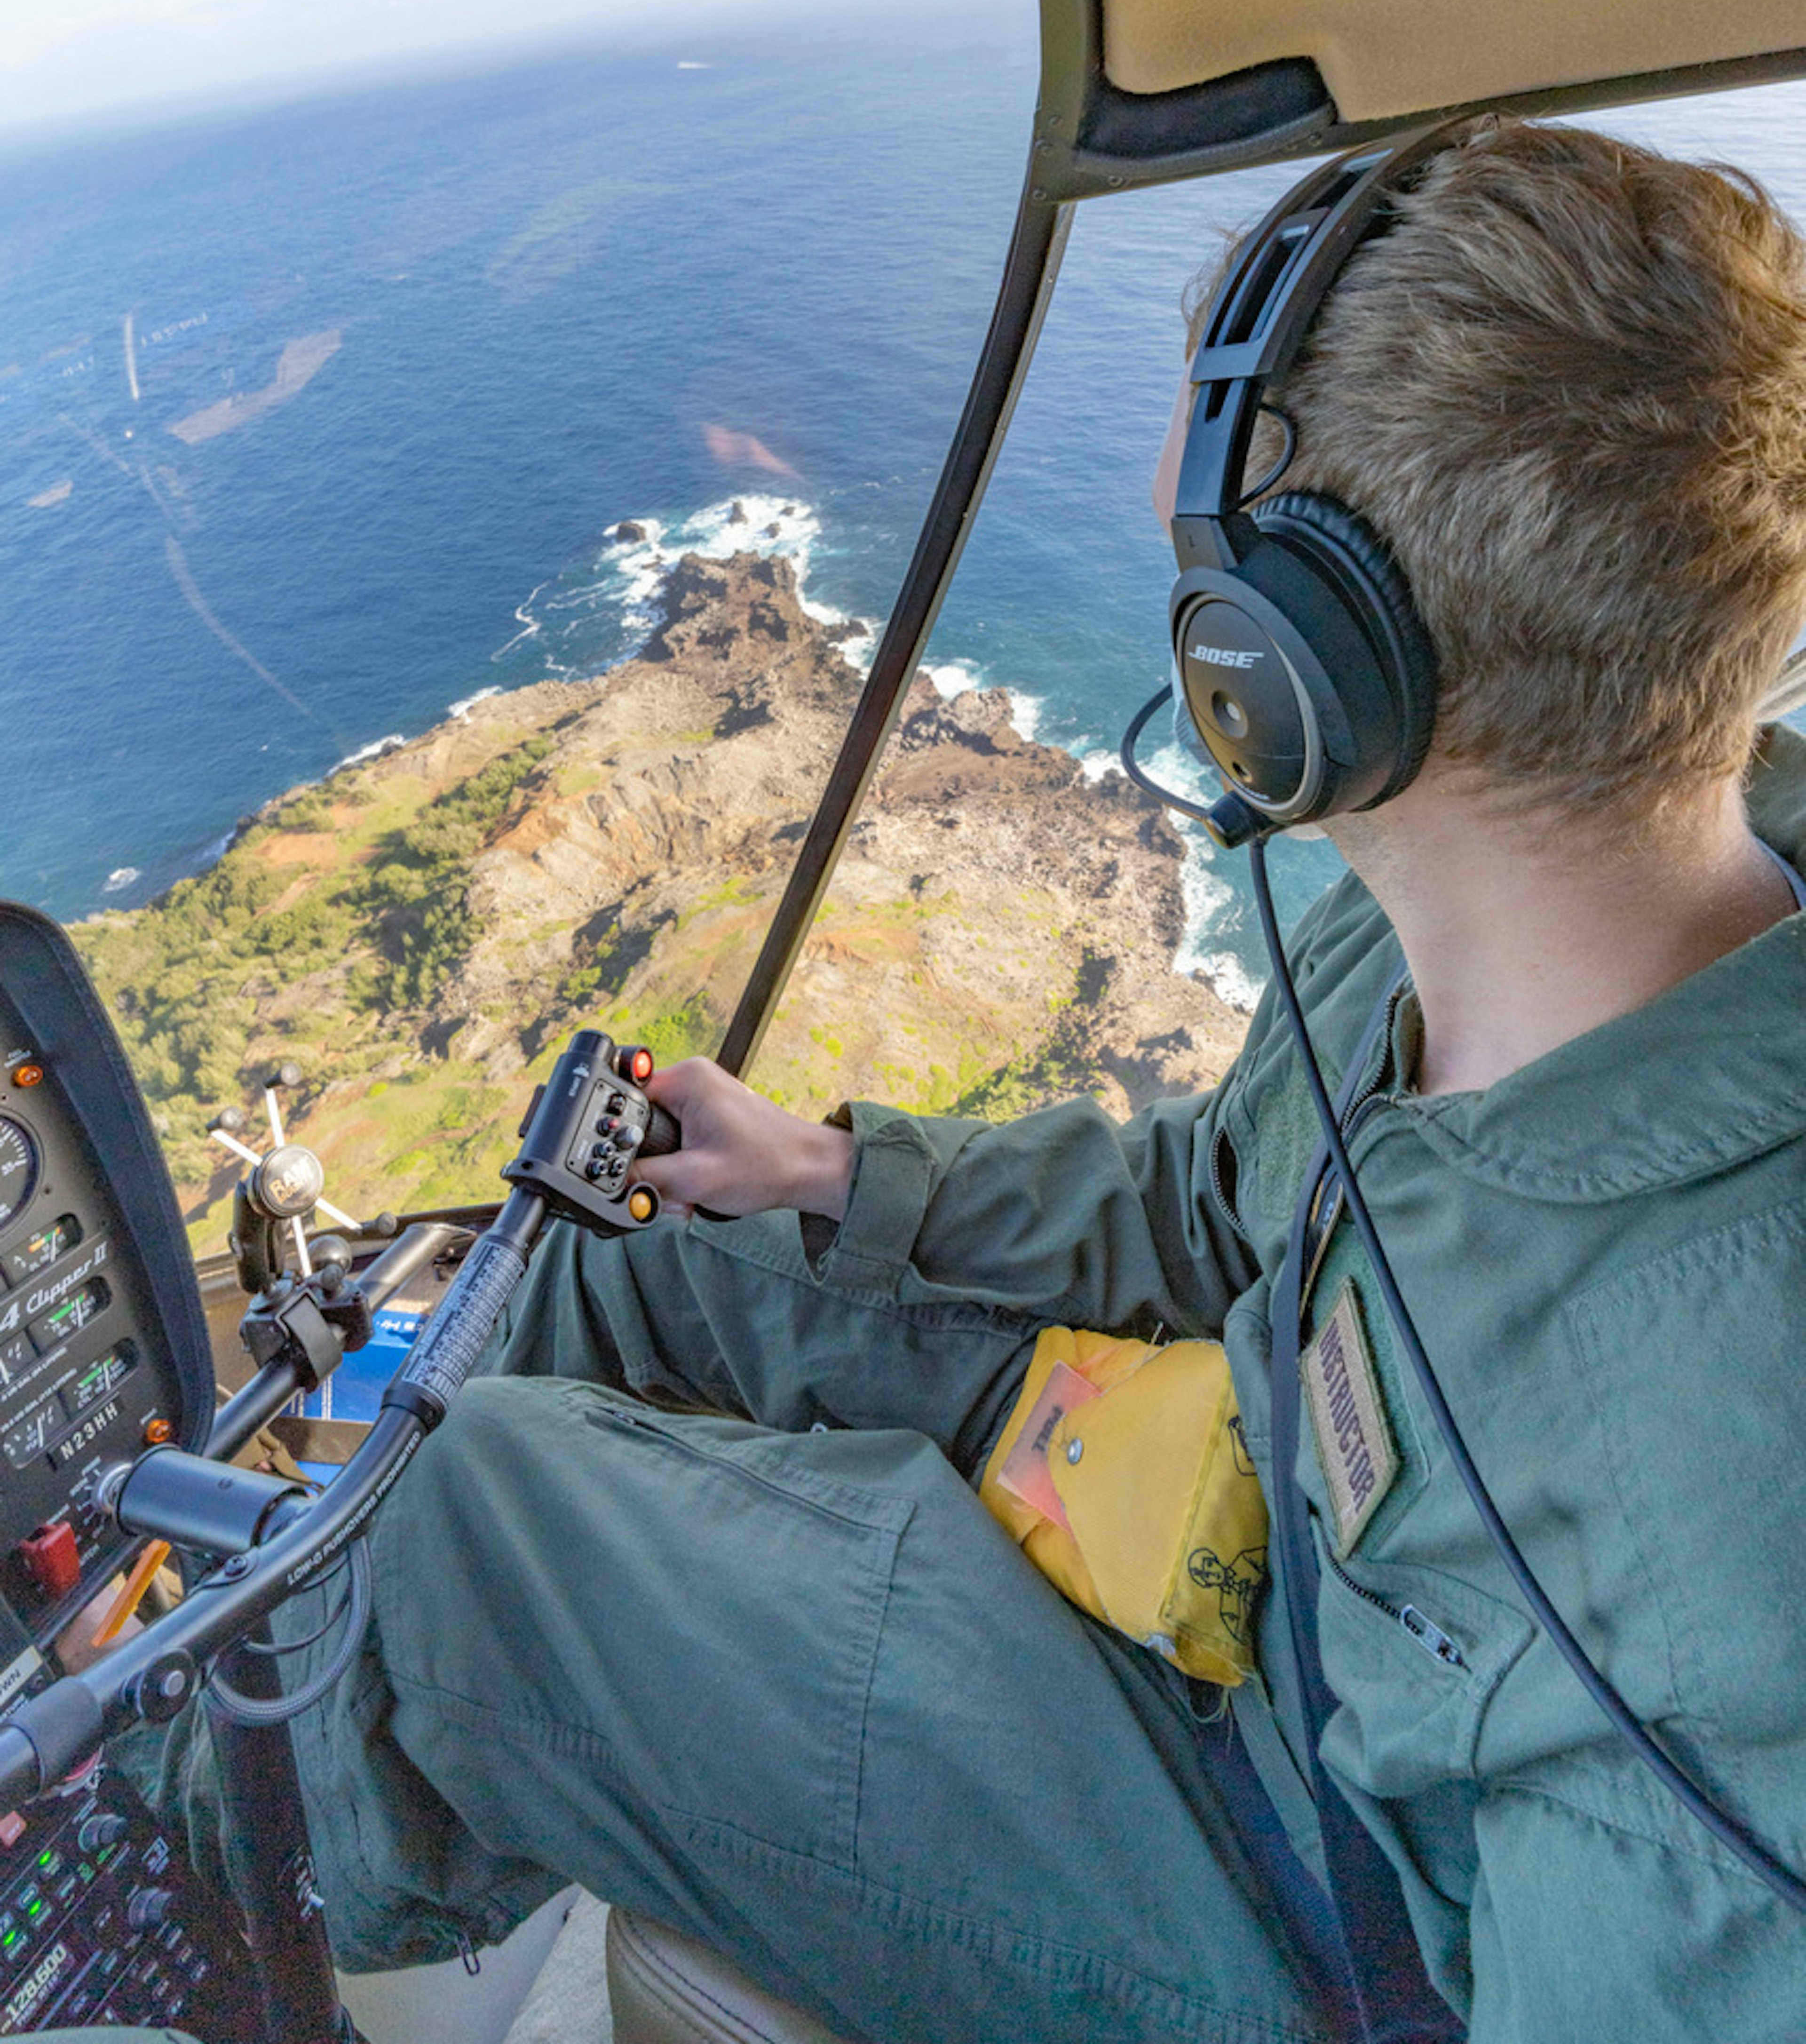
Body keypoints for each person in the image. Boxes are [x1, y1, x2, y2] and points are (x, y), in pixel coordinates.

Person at [132, 119, 1806, 2043]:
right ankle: (442, 1765)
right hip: (1265, 1526)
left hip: (1306, 1884)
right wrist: (841, 1180)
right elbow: (1222, 1198)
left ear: (1290, 664)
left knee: (457, 1531)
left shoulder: (1726, 1533)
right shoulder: (1442, 927)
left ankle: (173, 1927)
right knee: (617, 1242)